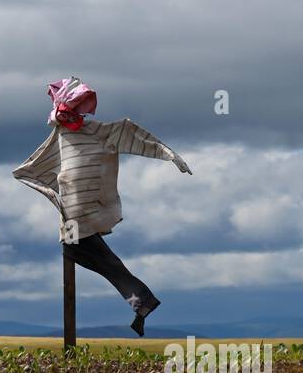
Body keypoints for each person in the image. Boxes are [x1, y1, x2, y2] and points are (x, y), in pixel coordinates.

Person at [12, 77, 192, 336]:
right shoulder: (60, 136)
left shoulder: (99, 131)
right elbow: (39, 163)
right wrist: (44, 184)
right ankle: (141, 301)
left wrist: (169, 156)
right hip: (72, 207)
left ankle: (142, 300)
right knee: (87, 253)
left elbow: (135, 136)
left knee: (83, 252)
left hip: (87, 207)